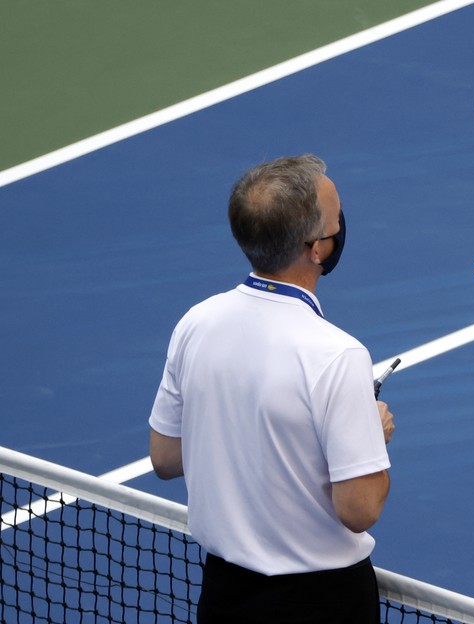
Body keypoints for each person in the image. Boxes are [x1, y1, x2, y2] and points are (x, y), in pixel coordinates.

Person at [148, 154, 394, 624]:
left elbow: (165, 458)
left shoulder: (195, 323)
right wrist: (370, 435)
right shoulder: (336, 355)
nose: (342, 225)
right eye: (336, 218)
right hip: (323, 604)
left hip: (225, 595)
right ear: (317, 247)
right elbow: (360, 508)